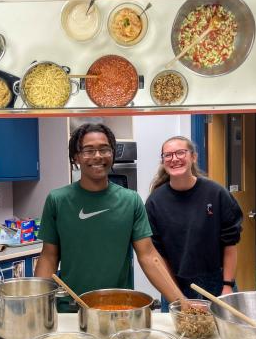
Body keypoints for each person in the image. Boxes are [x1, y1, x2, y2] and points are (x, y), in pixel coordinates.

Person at [34, 123, 185, 312]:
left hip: (119, 308)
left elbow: (148, 256)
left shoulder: (131, 201)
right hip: (71, 309)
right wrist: (37, 307)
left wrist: (181, 303)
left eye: (104, 149)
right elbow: (49, 256)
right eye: (88, 150)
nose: (98, 156)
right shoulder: (58, 200)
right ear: (76, 157)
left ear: (112, 153)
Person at [145, 136, 243, 299]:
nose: (174, 159)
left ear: (193, 157)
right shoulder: (155, 202)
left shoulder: (216, 193)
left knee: (221, 325)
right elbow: (159, 255)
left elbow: (230, 244)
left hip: (218, 282)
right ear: (163, 161)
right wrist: (175, 294)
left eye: (180, 153)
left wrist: (227, 286)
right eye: (168, 155)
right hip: (176, 283)